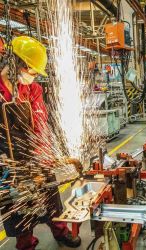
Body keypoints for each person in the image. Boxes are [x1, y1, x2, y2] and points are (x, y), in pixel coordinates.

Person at [0, 36, 81, 249]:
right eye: (32, 70)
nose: (33, 76)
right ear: (17, 63)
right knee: (19, 209)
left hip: (37, 157)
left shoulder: (33, 89)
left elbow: (40, 125)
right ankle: (26, 244)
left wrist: (45, 156)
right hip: (8, 163)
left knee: (52, 201)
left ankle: (60, 231)